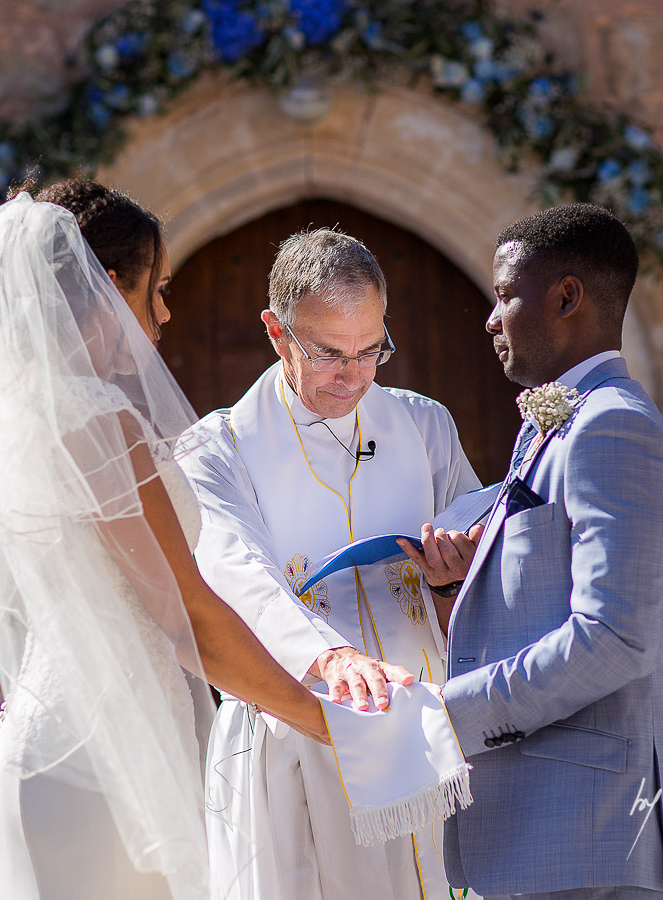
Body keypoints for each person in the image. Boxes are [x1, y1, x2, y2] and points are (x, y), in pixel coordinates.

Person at [0, 179, 329, 900]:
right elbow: (184, 614)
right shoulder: (99, 421)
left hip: (50, 742)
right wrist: (325, 723)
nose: (163, 314)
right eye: (155, 290)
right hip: (104, 767)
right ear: (108, 288)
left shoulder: (22, 416)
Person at [403, 204, 663, 899]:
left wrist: (452, 713)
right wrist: (456, 589)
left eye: (505, 294)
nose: (489, 318)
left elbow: (614, 637)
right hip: (550, 841)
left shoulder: (611, 429)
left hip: (589, 843)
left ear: (566, 297)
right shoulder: (562, 426)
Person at [179, 228, 484, 900]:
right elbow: (237, 572)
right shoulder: (217, 449)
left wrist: (453, 574)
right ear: (276, 332)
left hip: (429, 728)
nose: (354, 377)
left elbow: (482, 561)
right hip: (303, 733)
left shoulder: (425, 426)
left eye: (371, 351)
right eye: (328, 354)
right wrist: (331, 657)